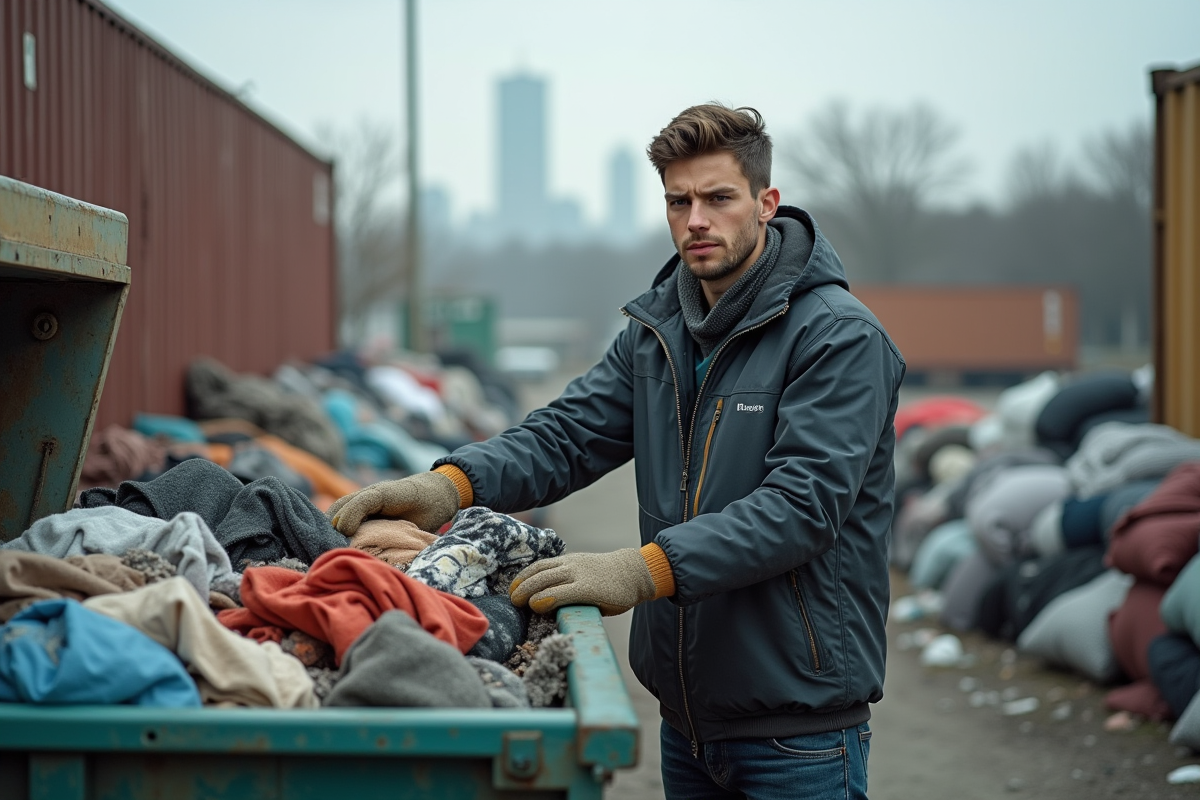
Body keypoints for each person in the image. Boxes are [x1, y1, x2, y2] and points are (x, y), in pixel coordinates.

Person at [328, 103, 904, 800]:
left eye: (719, 198)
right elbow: (568, 434)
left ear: (766, 203)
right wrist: (451, 484)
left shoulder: (838, 338)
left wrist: (644, 569)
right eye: (678, 200)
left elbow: (801, 507)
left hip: (800, 736)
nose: (697, 220)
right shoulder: (660, 329)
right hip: (687, 724)